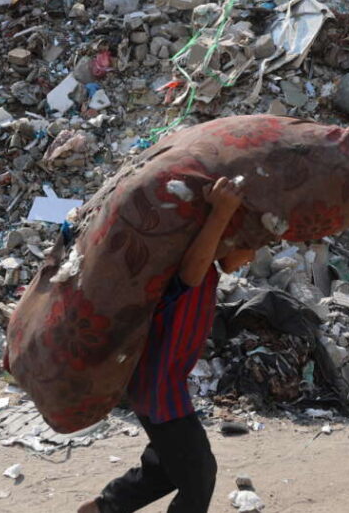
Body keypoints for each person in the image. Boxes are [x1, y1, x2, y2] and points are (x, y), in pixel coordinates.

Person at [80, 177, 256, 513]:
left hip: (157, 386)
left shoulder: (205, 267)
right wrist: (221, 211)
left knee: (166, 468)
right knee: (200, 474)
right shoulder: (190, 266)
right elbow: (191, 272)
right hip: (160, 391)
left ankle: (104, 508)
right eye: (252, 246)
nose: (250, 258)